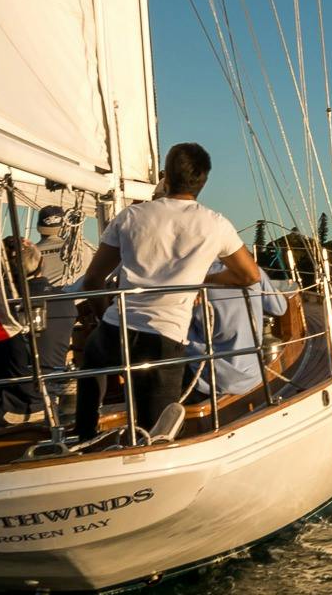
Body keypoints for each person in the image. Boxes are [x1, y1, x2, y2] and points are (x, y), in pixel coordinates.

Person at [73, 143, 261, 442]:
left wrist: (101, 315)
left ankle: (83, 435)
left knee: (93, 363)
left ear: (166, 177)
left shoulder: (131, 216)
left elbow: (93, 279)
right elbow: (248, 275)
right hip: (165, 335)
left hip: (116, 326)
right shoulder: (215, 224)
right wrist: (201, 281)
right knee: (156, 429)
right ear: (203, 182)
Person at [190, 274, 296, 407]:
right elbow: (279, 308)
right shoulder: (249, 270)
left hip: (208, 382)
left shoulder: (189, 276)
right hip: (253, 377)